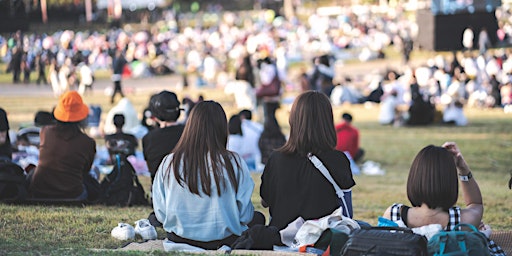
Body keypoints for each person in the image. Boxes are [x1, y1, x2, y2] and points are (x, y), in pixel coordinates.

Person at [151, 100, 259, 249]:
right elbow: (245, 215)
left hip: (178, 239)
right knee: (258, 218)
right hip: (225, 240)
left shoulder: (169, 162)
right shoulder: (234, 162)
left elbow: (161, 213)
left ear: (190, 126)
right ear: (222, 128)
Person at [381, 142, 502, 254]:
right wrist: (463, 168)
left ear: (414, 179)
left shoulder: (393, 214)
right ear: (450, 182)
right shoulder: (462, 221)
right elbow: (476, 204)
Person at [260, 91, 356, 230]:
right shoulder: (339, 160)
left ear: (293, 119)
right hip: (322, 237)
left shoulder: (276, 159)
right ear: (328, 121)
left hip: (282, 237)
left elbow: (265, 201)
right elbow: (347, 212)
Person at [28, 91, 97, 200]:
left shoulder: (45, 132)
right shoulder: (88, 142)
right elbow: (85, 170)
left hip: (39, 191)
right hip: (73, 194)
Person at [142, 90, 185, 182]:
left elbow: (151, 168)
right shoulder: (189, 133)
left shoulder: (148, 139)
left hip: (160, 192)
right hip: (187, 190)